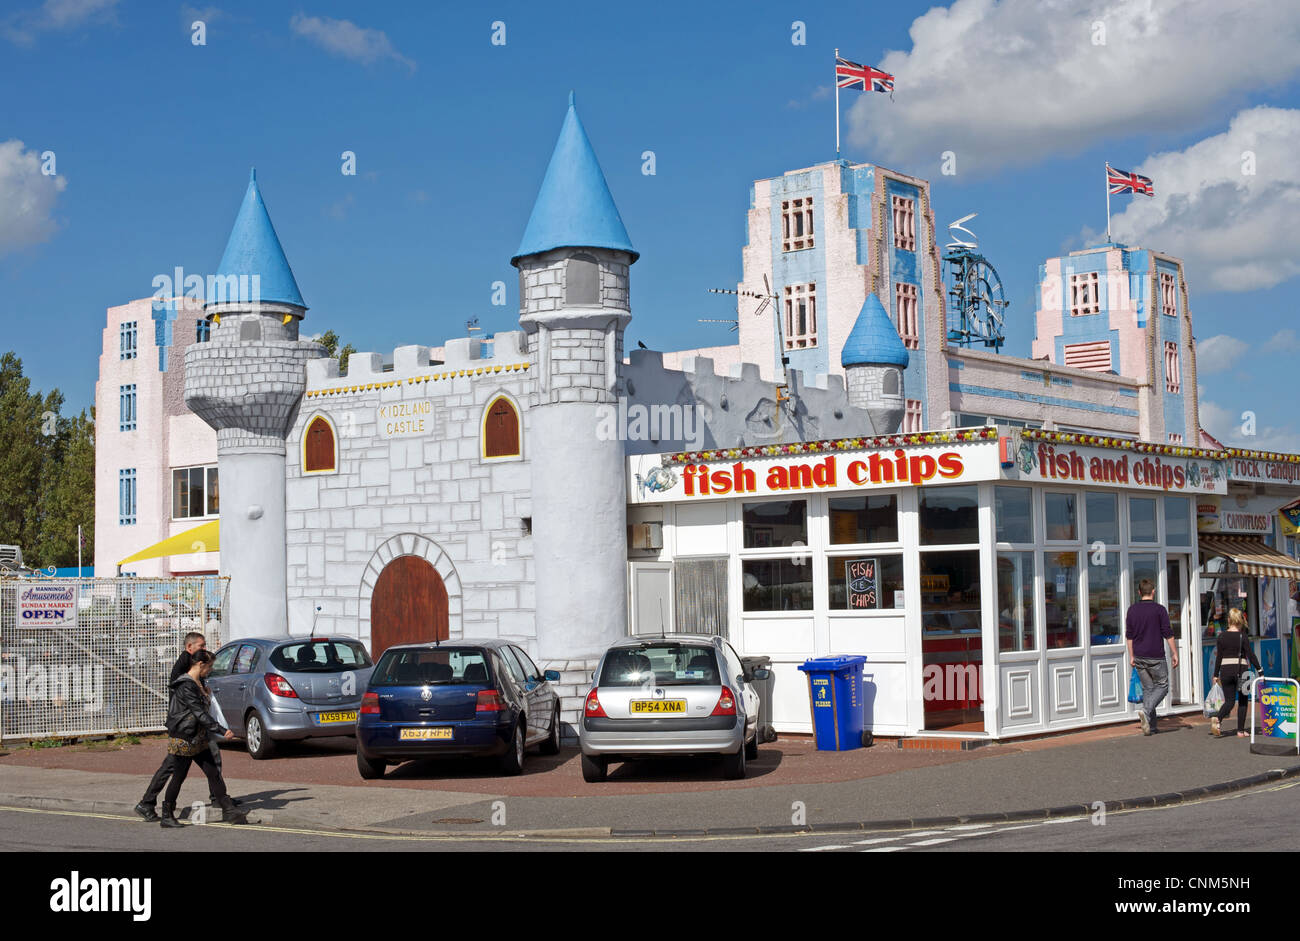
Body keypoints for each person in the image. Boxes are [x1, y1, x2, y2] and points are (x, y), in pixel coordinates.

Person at [152, 649, 242, 827]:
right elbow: (199, 713)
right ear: (200, 664)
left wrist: (206, 695)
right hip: (184, 738)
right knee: (179, 776)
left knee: (213, 773)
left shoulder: (197, 683)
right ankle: (167, 815)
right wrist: (222, 730)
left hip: (198, 737)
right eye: (209, 666)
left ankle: (229, 811)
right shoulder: (186, 685)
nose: (210, 670)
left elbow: (202, 709)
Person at [1125, 578, 1178, 735]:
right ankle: (1146, 711)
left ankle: (1151, 726)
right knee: (1163, 686)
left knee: (1148, 689)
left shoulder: (1132, 610)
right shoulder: (1160, 610)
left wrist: (1131, 656)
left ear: (1139, 592)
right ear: (1153, 592)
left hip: (1140, 655)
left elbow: (1129, 636)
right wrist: (1174, 652)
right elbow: (1168, 633)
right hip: (1156, 656)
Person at [1210, 608, 1261, 738]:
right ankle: (1240, 731)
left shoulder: (1221, 636)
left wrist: (1215, 675)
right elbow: (1250, 654)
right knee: (1243, 701)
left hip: (1226, 672)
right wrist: (1259, 669)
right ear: (1240, 620)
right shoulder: (1242, 635)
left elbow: (1219, 657)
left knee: (1230, 702)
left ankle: (1218, 718)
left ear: (1229, 620)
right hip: (1242, 671)